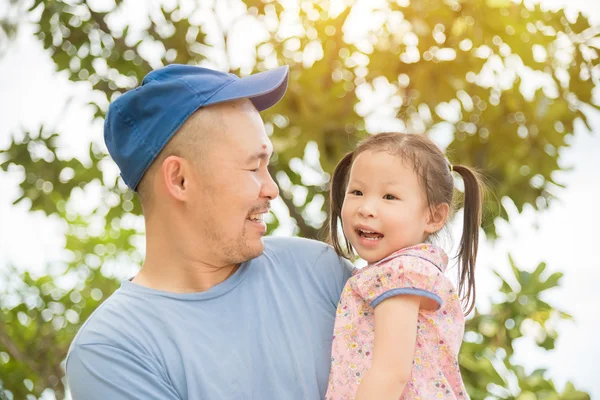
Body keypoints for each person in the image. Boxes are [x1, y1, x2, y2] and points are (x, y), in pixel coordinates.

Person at [65, 64, 353, 399]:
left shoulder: (317, 270)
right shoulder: (112, 351)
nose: (271, 188)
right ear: (180, 180)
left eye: (267, 165)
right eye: (253, 166)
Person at [325, 132, 484, 399]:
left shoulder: (400, 274)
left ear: (433, 216)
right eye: (357, 192)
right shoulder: (393, 272)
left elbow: (390, 373)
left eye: (389, 197)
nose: (366, 208)